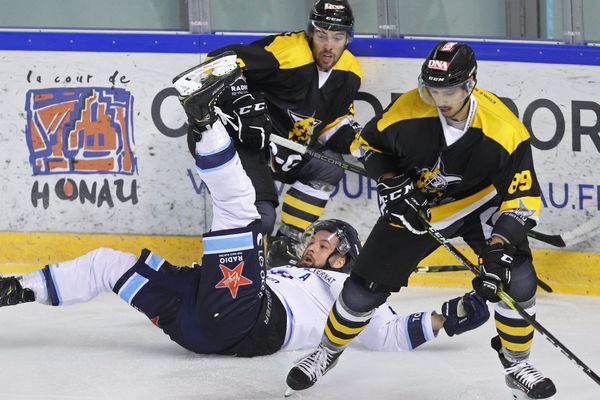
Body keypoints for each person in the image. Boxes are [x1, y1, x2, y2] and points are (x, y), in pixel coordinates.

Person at [0, 71, 489, 358]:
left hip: (248, 321)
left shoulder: (351, 291)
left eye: (325, 242)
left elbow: (392, 334)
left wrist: (452, 317)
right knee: (109, 263)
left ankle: (205, 120)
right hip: (194, 323)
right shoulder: (291, 267)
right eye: (317, 237)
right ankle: (18, 289)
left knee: (241, 212)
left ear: (345, 259)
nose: (313, 243)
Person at [286, 41, 557, 400]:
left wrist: (500, 249)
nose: (439, 98)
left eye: (449, 90)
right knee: (362, 287)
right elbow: (368, 146)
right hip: (420, 206)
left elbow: (522, 199)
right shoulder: (409, 109)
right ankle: (327, 352)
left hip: (483, 203)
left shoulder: (505, 130)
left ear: (470, 84)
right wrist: (389, 181)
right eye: (432, 89)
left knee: (517, 278)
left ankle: (516, 362)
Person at [183, 0, 363, 255]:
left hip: (282, 147)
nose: (328, 45)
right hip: (241, 141)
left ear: (348, 38)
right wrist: (240, 102)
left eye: (337, 37)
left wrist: (363, 148)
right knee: (261, 216)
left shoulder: (350, 70)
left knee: (329, 168)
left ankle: (284, 246)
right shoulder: (289, 52)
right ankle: (233, 268)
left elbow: (331, 124)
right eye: (322, 35)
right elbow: (217, 63)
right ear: (311, 33)